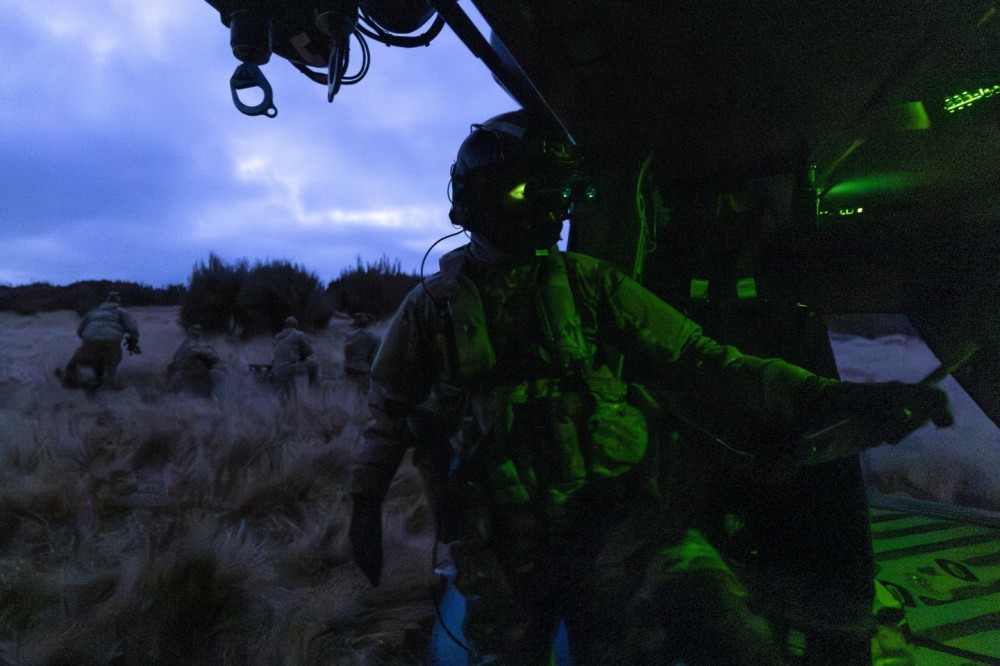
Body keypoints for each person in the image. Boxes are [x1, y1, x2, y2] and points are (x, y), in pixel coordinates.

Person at [346, 110, 954, 665]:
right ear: (477, 196)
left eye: (564, 194)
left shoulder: (590, 287)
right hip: (506, 551)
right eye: (536, 191)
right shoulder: (430, 311)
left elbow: (705, 360)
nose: (554, 211)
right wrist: (365, 503)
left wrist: (837, 398)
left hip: (618, 527)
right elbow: (388, 413)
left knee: (732, 636)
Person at [62, 291, 141, 392]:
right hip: (112, 342)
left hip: (91, 341)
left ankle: (67, 375)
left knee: (78, 356)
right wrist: (133, 340)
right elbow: (133, 329)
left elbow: (80, 330)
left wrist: (86, 341)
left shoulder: (93, 312)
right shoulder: (121, 311)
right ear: (118, 301)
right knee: (112, 364)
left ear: (105, 301)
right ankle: (109, 384)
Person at [167, 324, 220, 397]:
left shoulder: (182, 346)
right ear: (199, 334)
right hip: (194, 372)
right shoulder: (200, 345)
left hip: (182, 371)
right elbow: (215, 358)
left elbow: (175, 358)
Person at [270, 315, 318, 395]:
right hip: (291, 365)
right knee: (315, 365)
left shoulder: (277, 336)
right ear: (296, 325)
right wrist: (302, 354)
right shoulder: (299, 334)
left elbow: (276, 351)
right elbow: (310, 351)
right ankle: (311, 390)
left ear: (285, 325)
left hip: (277, 366)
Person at [343, 312, 381, 380]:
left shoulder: (350, 335)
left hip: (350, 368)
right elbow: (374, 357)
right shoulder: (375, 338)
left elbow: (347, 353)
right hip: (364, 369)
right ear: (369, 324)